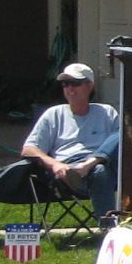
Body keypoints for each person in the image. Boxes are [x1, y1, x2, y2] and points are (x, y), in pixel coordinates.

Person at [22, 62, 122, 225]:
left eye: (75, 83)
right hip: (69, 170)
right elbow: (28, 149)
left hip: (103, 166)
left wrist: (90, 163)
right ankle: (109, 230)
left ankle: (89, 164)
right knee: (100, 171)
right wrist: (55, 164)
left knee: (122, 132)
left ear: (89, 86)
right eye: (66, 84)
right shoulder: (54, 114)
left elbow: (121, 142)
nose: (70, 88)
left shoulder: (106, 112)